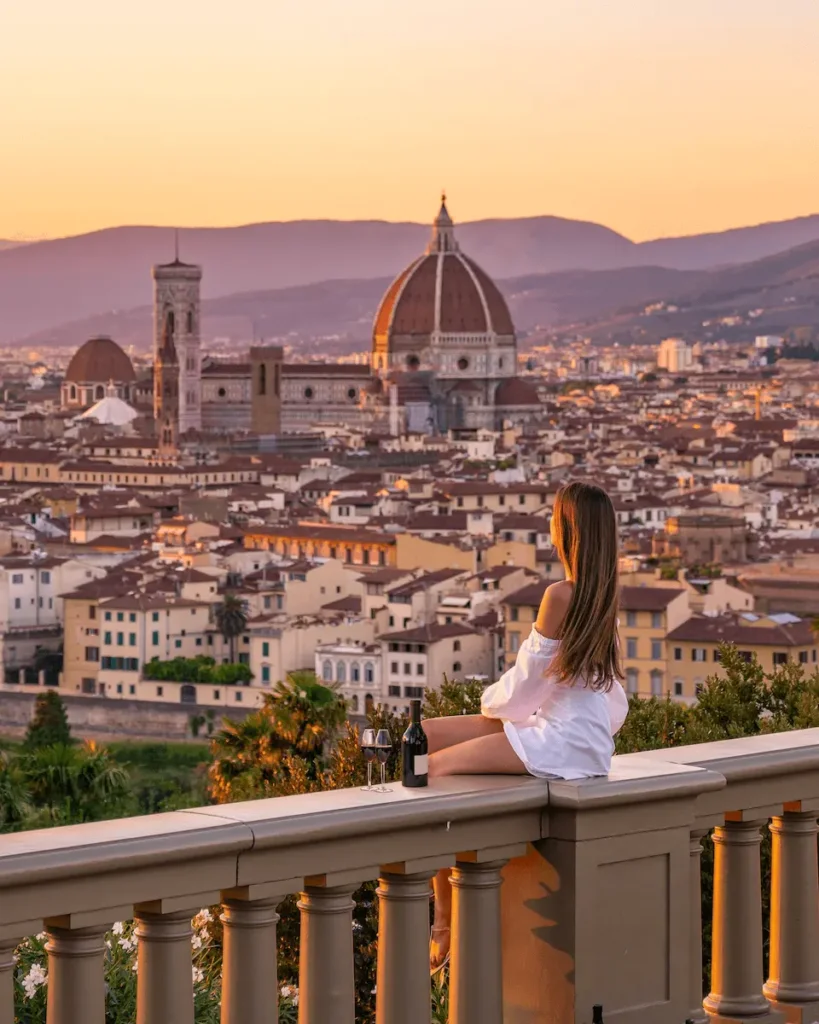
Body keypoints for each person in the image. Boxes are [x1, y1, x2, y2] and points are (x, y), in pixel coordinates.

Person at [425, 481, 629, 972]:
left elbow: (522, 690)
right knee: (426, 733)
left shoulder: (560, 596)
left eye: (556, 519)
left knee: (429, 770)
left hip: (557, 742)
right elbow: (612, 697)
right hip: (572, 737)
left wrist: (489, 706)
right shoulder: (603, 598)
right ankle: (446, 902)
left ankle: (444, 916)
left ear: (568, 531)